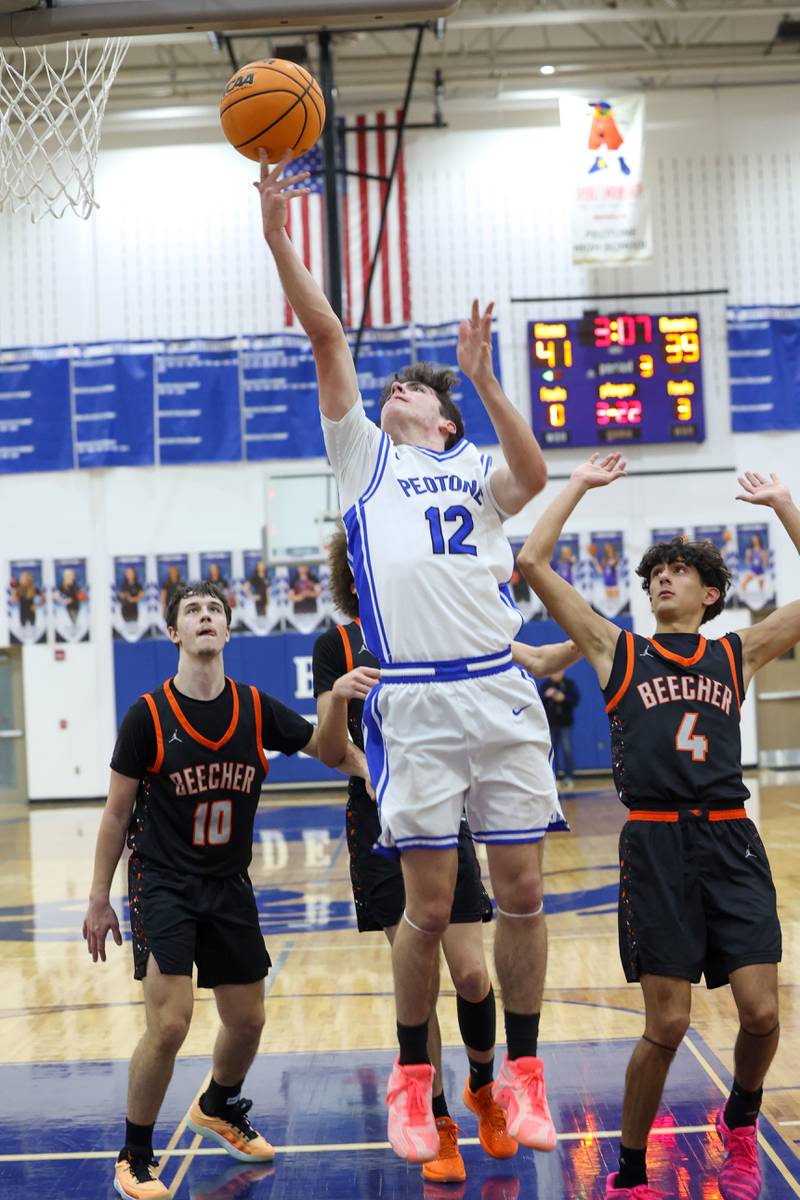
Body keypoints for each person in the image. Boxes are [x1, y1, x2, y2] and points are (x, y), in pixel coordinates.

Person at [257, 151, 566, 1164]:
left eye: (416, 391)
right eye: (393, 386)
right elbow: (327, 331)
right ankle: (412, 1078)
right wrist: (276, 236)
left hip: (496, 686)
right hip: (419, 706)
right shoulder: (361, 456)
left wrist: (482, 378)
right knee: (427, 911)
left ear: (441, 420)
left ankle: (519, 1074)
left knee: (519, 894)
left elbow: (533, 471)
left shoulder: (472, 466)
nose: (392, 389)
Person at [516, 459, 800, 1200]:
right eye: (655, 574)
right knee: (667, 1023)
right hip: (655, 843)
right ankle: (632, 1172)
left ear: (710, 594)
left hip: (731, 838)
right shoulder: (618, 650)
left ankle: (740, 1124)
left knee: (764, 1011)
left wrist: (784, 505)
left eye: (678, 572)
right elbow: (532, 562)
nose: (661, 580)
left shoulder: (736, 651)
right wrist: (574, 487)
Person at [312, 530, 580, 1182]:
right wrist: (343, 708)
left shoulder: (444, 622)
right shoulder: (335, 645)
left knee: (471, 975)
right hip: (378, 821)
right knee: (423, 978)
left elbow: (532, 662)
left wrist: (592, 638)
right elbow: (324, 749)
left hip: (442, 811)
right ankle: (436, 1121)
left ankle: (485, 1087)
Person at [82, 581, 364, 1200]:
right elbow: (113, 814)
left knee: (247, 1019)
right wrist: (99, 895)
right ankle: (134, 1154)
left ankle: (217, 1106)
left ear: (228, 632)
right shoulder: (148, 716)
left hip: (229, 881)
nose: (205, 617)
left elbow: (325, 750)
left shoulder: (254, 706)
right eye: (193, 612)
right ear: (175, 634)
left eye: (214, 611)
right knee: (172, 1021)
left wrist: (339, 703)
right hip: (163, 882)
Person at [538, 669, 580, 790]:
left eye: (559, 672)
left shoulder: (568, 684)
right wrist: (547, 696)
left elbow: (575, 699)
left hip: (566, 724)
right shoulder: (546, 685)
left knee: (567, 750)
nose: (557, 674)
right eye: (554, 672)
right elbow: (538, 701)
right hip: (551, 724)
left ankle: (569, 778)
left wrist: (564, 698)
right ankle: (553, 778)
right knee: (551, 752)